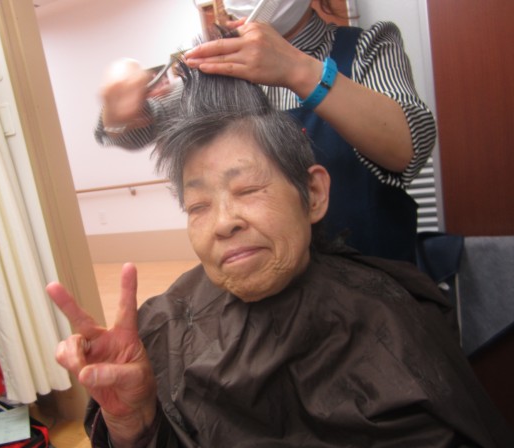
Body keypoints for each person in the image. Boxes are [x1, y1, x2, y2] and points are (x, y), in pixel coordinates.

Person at [49, 64, 514, 448]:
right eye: (198, 206)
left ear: (313, 193)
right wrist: (134, 424)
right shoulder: (160, 329)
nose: (223, 222)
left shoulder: (390, 324)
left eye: (248, 189)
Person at [95, 0, 437, 263]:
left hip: (376, 283)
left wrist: (297, 70)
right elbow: (132, 131)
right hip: (268, 296)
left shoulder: (368, 46)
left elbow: (411, 146)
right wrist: (118, 112)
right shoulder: (215, 70)